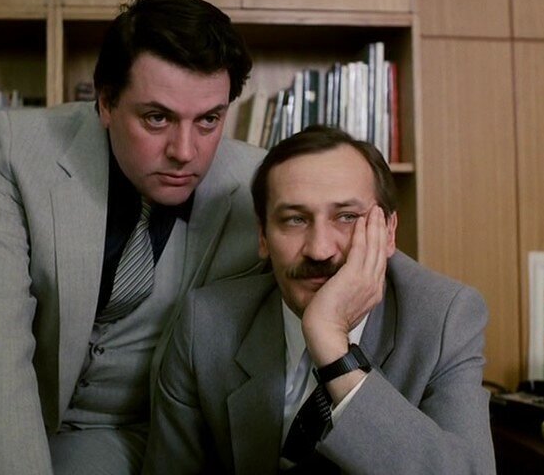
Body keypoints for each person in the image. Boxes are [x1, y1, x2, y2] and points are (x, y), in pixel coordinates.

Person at [0, 0, 266, 475]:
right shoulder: (15, 150)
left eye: (209, 120)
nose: (185, 151)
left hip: (132, 440)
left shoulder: (258, 185)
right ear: (105, 102)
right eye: (156, 117)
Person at [144, 125, 496, 474]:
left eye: (346, 217)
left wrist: (334, 352)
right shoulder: (205, 324)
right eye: (295, 219)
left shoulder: (445, 317)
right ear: (263, 236)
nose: (320, 249)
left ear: (388, 232)